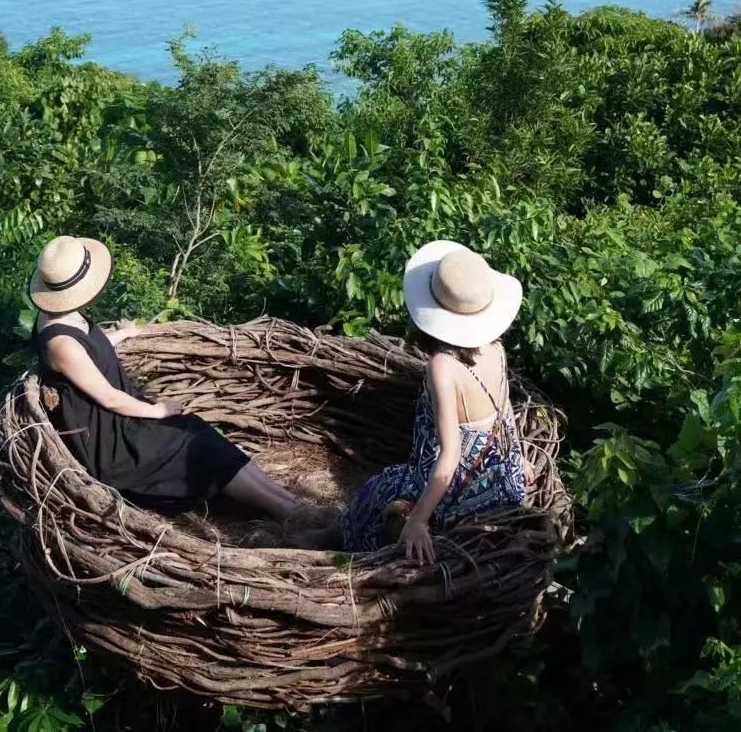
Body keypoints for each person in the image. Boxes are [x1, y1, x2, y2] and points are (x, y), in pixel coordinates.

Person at [31, 235, 311, 520]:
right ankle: (289, 512)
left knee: (196, 432)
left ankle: (292, 503)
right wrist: (158, 411)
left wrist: (121, 335)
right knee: (197, 447)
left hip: (121, 421)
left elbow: (89, 352)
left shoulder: (62, 314)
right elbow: (109, 398)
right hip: (111, 445)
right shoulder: (59, 343)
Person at [340, 240, 529, 564]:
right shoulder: (496, 349)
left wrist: (418, 520)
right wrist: (518, 460)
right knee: (386, 487)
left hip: (461, 494)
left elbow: (450, 455)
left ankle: (346, 552)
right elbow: (505, 412)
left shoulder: (443, 366)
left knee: (375, 493)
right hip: (502, 478)